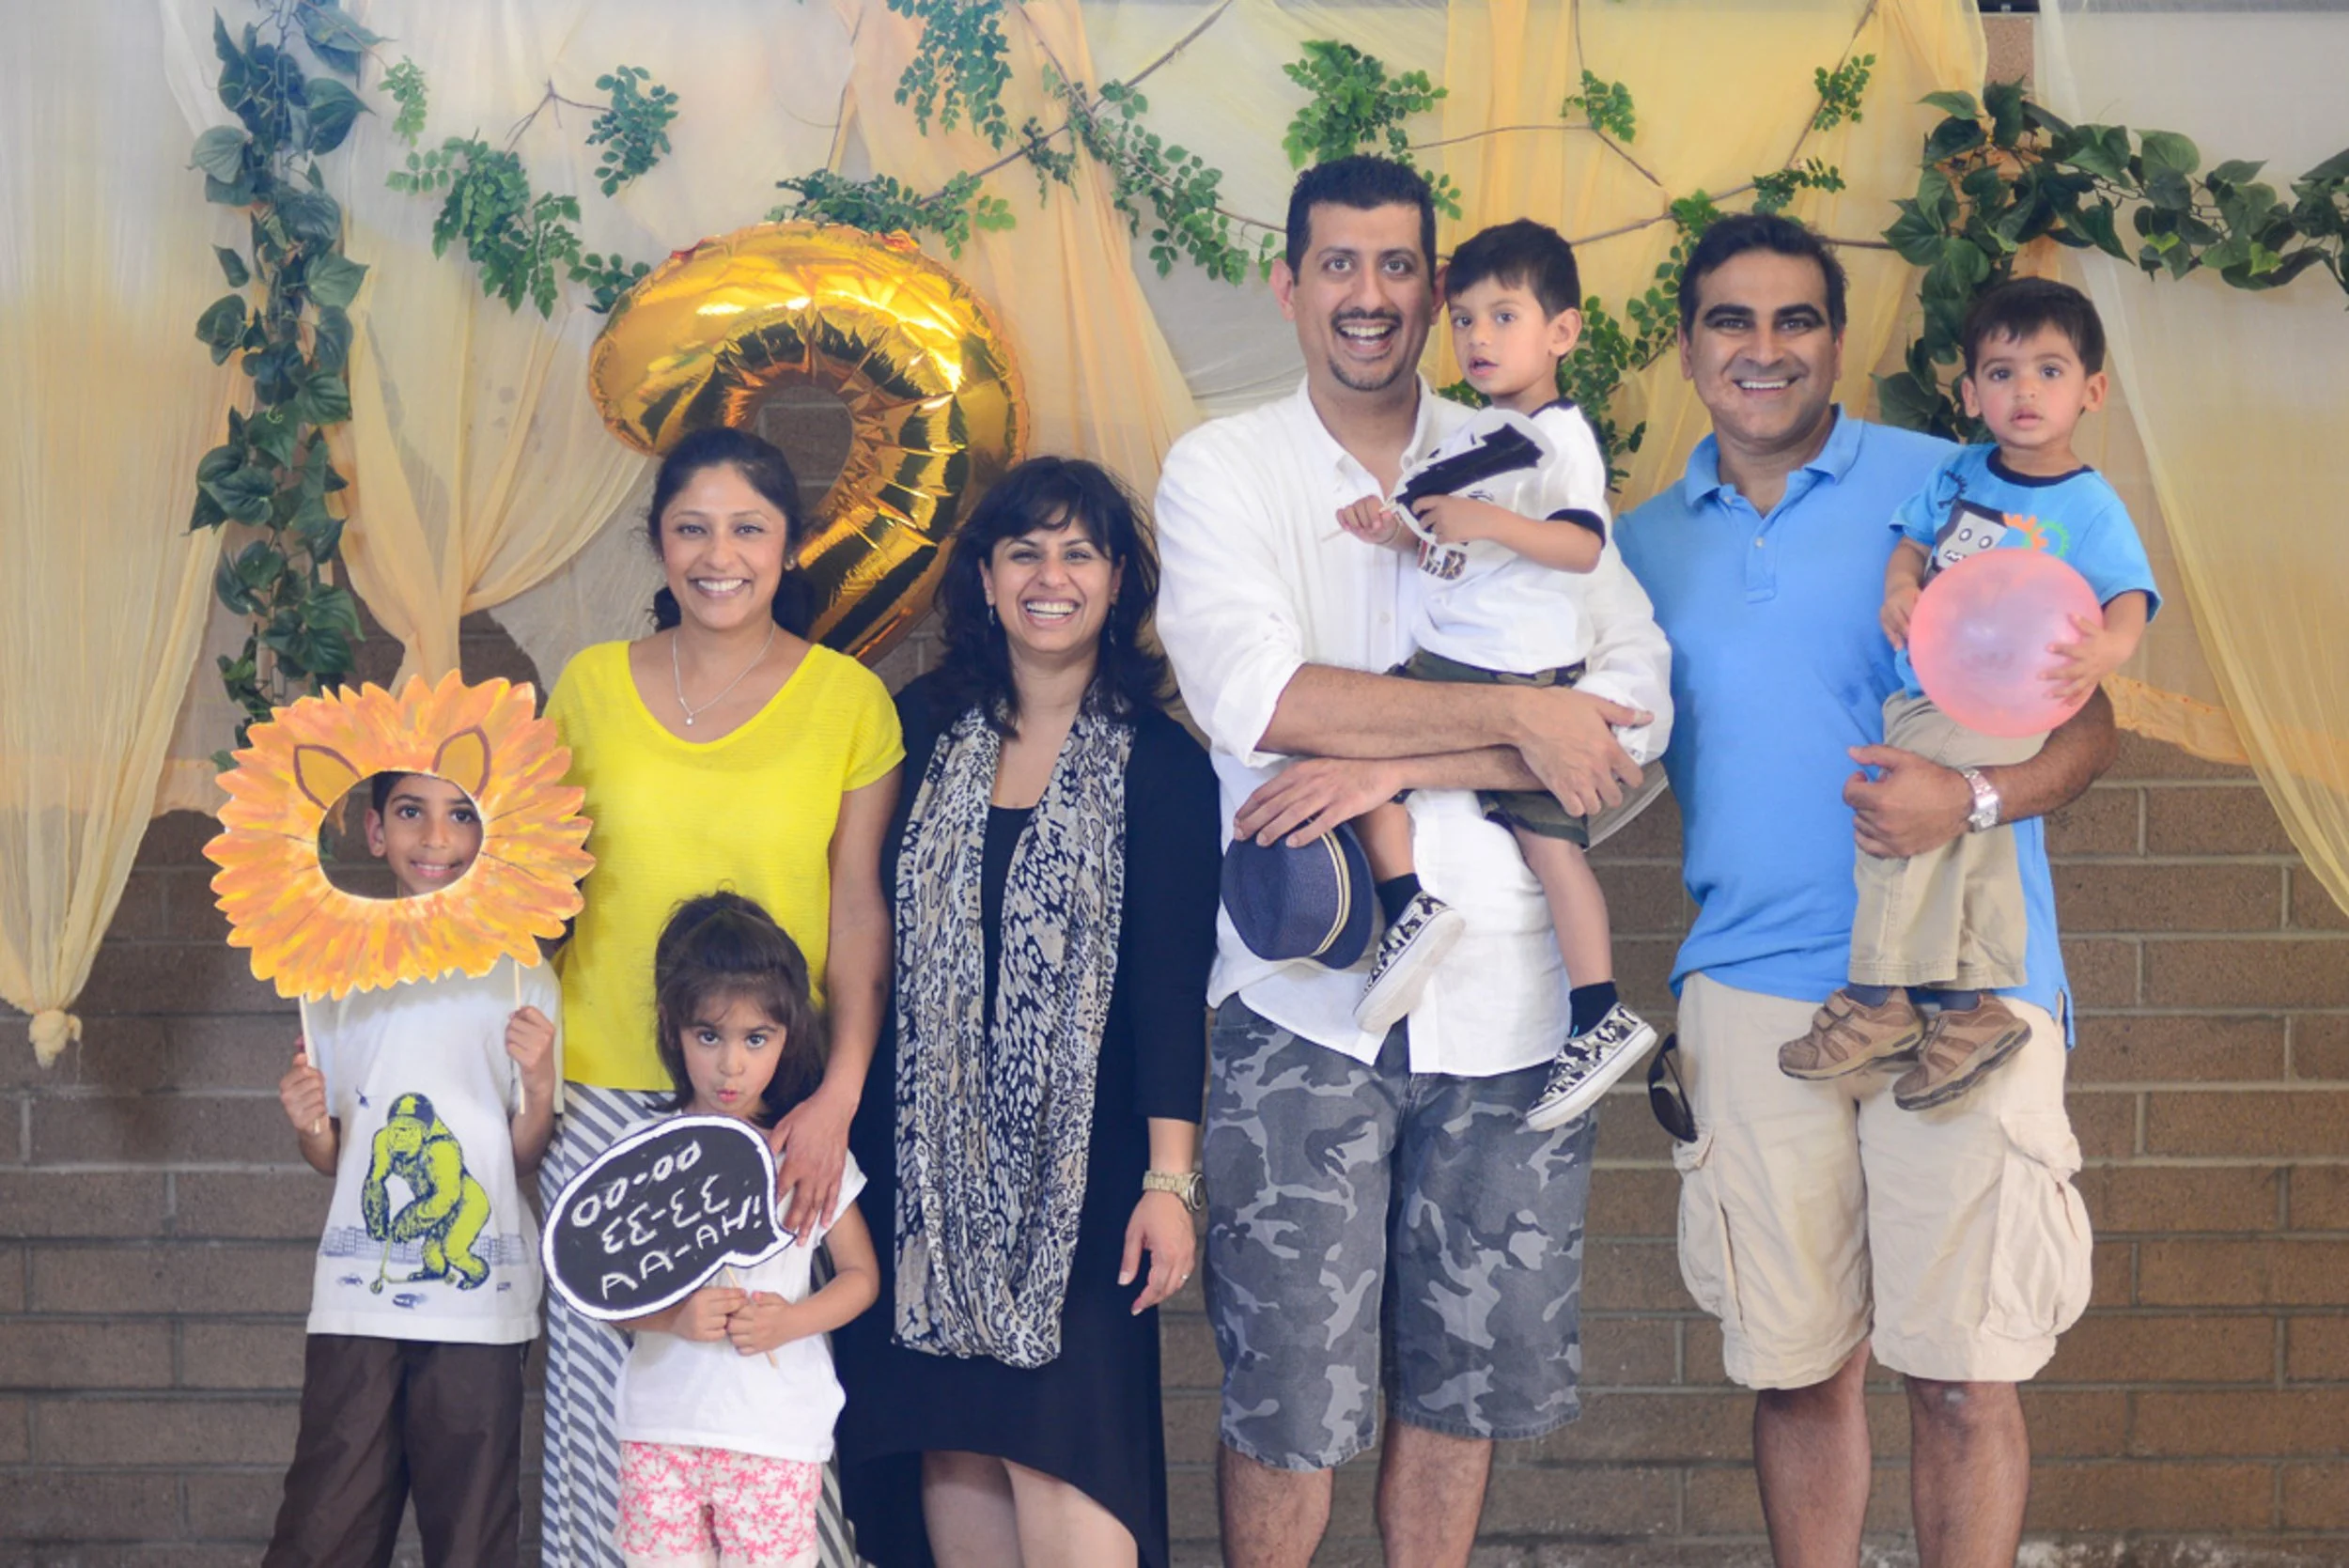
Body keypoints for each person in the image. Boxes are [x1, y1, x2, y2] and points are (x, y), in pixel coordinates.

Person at [1153, 155, 1672, 1567]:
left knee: (1462, 1395)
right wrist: (1517, 718)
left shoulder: (1525, 444)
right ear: (1291, 281)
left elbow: (1635, 709)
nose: (1369, 297)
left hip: (1508, 1008)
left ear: (1435, 287)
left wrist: (1397, 758)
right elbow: (1262, 700)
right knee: (1286, 1406)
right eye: (1338, 265)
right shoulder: (1224, 469)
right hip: (1303, 1001)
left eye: (1397, 268)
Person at [1615, 213, 2106, 1567]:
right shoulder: (1636, 548)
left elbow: (2086, 720)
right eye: (1732, 320)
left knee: (1962, 1374)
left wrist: (1979, 798)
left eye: (1796, 321)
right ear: (1689, 345)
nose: (1764, 350)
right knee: (1799, 1368)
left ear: (1839, 342)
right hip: (1755, 998)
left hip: (1964, 993)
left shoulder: (1953, 488)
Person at [833, 457, 1220, 1568]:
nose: (1051, 575)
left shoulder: (1160, 766)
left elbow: (1164, 988)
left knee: (1071, 1466)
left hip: (1085, 1191)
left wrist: (1169, 1184)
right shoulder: (916, 731)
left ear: (1115, 583)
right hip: (924, 1185)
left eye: (1079, 552)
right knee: (955, 1454)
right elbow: (861, 932)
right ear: (988, 581)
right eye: (1025, 551)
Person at [540, 426, 903, 1567]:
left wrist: (834, 1094)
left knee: (763, 1401)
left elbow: (855, 915)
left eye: (748, 527)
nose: (719, 553)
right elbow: (534, 886)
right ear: (657, 543)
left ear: (789, 547)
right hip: (604, 1092)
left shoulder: (850, 701)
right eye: (691, 527)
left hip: (770, 1102)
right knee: (607, 1419)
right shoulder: (590, 686)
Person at [1781, 276, 2155, 1110]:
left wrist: (2110, 648)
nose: (2025, 391)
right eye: (2001, 372)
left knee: (1897, 813)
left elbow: (2129, 594)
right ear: (1969, 391)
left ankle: (1878, 996)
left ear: (2092, 391)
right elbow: (1912, 544)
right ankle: (1970, 1007)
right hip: (1932, 688)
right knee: (1966, 837)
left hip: (2014, 702)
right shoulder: (1955, 474)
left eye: (2050, 372)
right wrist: (1900, 588)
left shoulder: (2088, 504)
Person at [1332, 217, 1671, 1129]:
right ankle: (1583, 1004)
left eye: (1504, 317)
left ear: (1560, 332)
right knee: (1547, 845)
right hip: (1484, 661)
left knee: (1358, 744)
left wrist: (1491, 526)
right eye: (1466, 320)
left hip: (1499, 671)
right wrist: (1393, 528)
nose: (1479, 338)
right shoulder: (1479, 435)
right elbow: (1436, 525)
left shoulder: (1559, 438)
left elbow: (1578, 543)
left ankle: (1419, 916)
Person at [265, 770, 560, 1567]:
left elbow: (523, 1153)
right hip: (358, 1300)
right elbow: (333, 1154)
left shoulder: (519, 970)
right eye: (411, 813)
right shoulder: (329, 970)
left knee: (471, 1532)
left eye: (461, 814)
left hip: (480, 1304)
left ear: (489, 829)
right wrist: (307, 1124)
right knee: (325, 1527)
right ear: (373, 831)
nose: (437, 837)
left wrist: (536, 1084)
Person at [613, 893, 879, 1568]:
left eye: (755, 1038)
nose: (731, 1065)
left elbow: (861, 1278)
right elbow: (611, 1291)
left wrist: (791, 1321)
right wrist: (672, 1316)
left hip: (772, 1436)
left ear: (788, 1035)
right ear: (674, 1029)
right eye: (710, 1035)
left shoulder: (807, 1152)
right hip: (659, 1431)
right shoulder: (643, 1147)